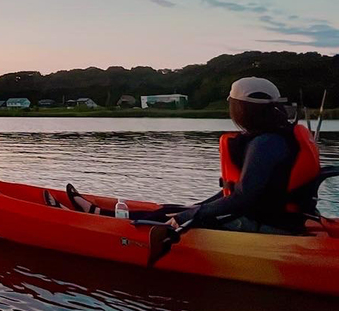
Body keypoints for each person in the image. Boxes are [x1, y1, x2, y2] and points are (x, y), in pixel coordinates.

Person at [47, 77, 321, 234]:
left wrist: (196, 215)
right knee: (170, 210)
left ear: (243, 109)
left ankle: (93, 225)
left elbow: (245, 198)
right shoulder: (274, 136)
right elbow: (238, 192)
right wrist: (194, 209)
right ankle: (96, 212)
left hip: (269, 226)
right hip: (274, 218)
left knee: (173, 216)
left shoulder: (267, 143)